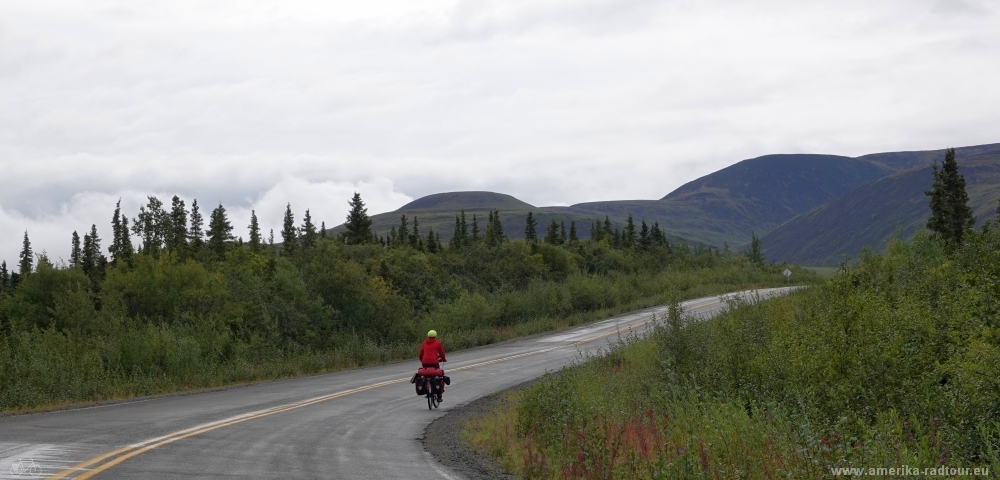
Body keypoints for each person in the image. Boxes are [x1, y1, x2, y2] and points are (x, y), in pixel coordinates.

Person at [418, 330, 447, 401]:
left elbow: (421, 353)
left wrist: (422, 360)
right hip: (434, 362)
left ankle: (427, 390)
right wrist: (443, 359)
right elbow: (441, 353)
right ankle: (439, 395)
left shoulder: (424, 343)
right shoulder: (437, 343)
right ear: (435, 336)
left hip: (425, 363)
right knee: (438, 376)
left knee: (425, 375)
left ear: (428, 336)